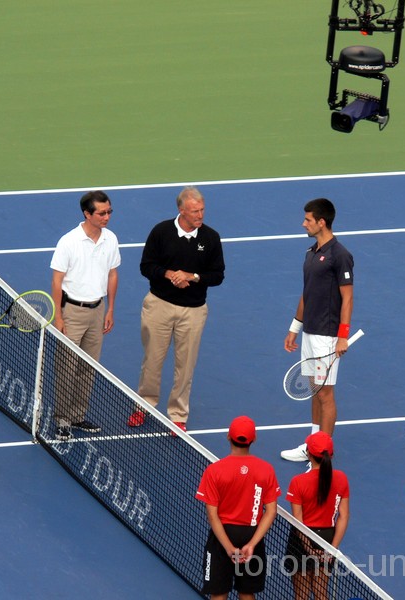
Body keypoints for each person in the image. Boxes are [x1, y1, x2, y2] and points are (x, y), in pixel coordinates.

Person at [129, 186, 225, 432]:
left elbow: (217, 275)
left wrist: (192, 277)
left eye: (202, 210)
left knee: (186, 365)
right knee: (152, 360)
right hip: (158, 306)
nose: (200, 215)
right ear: (181, 210)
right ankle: (144, 405)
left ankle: (178, 416)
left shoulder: (211, 238)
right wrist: (170, 274)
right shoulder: (161, 232)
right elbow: (146, 266)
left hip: (193, 312)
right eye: (195, 211)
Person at [281, 198, 354, 462]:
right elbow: (307, 292)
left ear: (321, 222)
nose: (303, 224)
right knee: (314, 389)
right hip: (310, 331)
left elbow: (347, 298)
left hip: (327, 335)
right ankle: (312, 444)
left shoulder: (340, 255)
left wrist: (343, 335)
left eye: (308, 220)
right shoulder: (311, 253)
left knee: (325, 393)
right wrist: (295, 327)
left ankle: (322, 454)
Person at [50, 190, 121, 437]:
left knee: (88, 366)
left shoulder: (110, 239)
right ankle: (61, 419)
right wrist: (58, 317)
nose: (107, 217)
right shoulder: (68, 242)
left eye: (109, 211)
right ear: (87, 214)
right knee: (66, 367)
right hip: (71, 312)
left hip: (97, 310)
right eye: (102, 213)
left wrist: (110, 308)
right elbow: (57, 281)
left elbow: (112, 273)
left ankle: (78, 416)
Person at [195, 416, 281, 600]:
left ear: (228, 437)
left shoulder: (214, 471)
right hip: (251, 535)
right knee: (246, 592)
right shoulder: (266, 470)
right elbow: (271, 511)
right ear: (254, 439)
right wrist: (252, 544)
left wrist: (227, 548)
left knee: (218, 593)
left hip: (222, 537)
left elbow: (212, 515)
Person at [285, 431, 350, 600]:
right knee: (321, 594)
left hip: (301, 540)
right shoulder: (341, 478)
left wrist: (308, 549)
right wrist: (331, 549)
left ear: (308, 454)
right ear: (331, 454)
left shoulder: (298, 482)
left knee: (301, 596)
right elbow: (343, 516)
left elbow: (298, 521)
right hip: (327, 539)